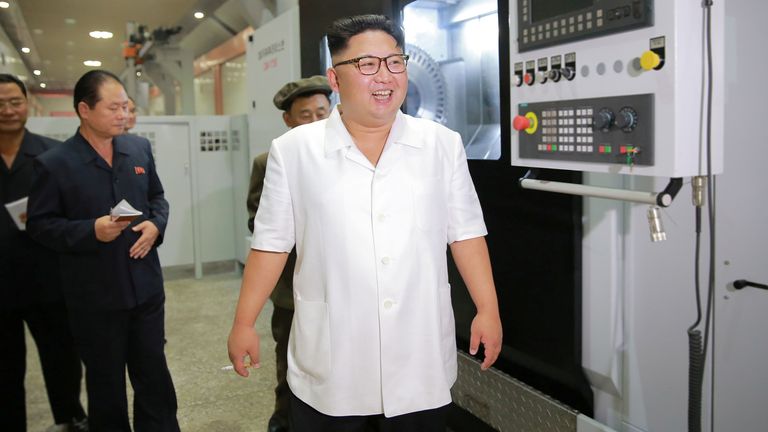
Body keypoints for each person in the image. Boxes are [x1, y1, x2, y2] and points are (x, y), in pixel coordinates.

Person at [228, 14, 502, 432]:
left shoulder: (440, 145)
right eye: (366, 64)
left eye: (395, 62)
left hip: (419, 357)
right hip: (333, 361)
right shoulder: (294, 151)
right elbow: (271, 243)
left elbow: (465, 232)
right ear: (335, 79)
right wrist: (244, 322)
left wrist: (488, 308)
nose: (384, 76)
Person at [26, 70, 180, 432]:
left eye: (126, 107)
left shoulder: (137, 148)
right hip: (94, 296)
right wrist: (90, 230)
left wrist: (157, 224)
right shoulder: (54, 163)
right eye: (114, 108)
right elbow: (39, 225)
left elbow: (158, 198)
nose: (123, 115)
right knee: (106, 385)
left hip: (145, 289)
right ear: (84, 109)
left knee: (153, 376)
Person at [0, 74, 88, 432]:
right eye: (0, 104)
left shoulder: (52, 154)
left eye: (15, 102)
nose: (7, 110)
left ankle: (69, 420)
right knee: (5, 369)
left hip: (47, 280)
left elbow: (73, 213)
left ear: (27, 104)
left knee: (62, 360)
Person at [246, 75, 332, 432]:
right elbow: (259, 225)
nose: (315, 121)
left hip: (347, 291)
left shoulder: (352, 154)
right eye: (305, 115)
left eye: (322, 113)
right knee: (292, 373)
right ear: (288, 120)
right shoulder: (270, 162)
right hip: (293, 294)